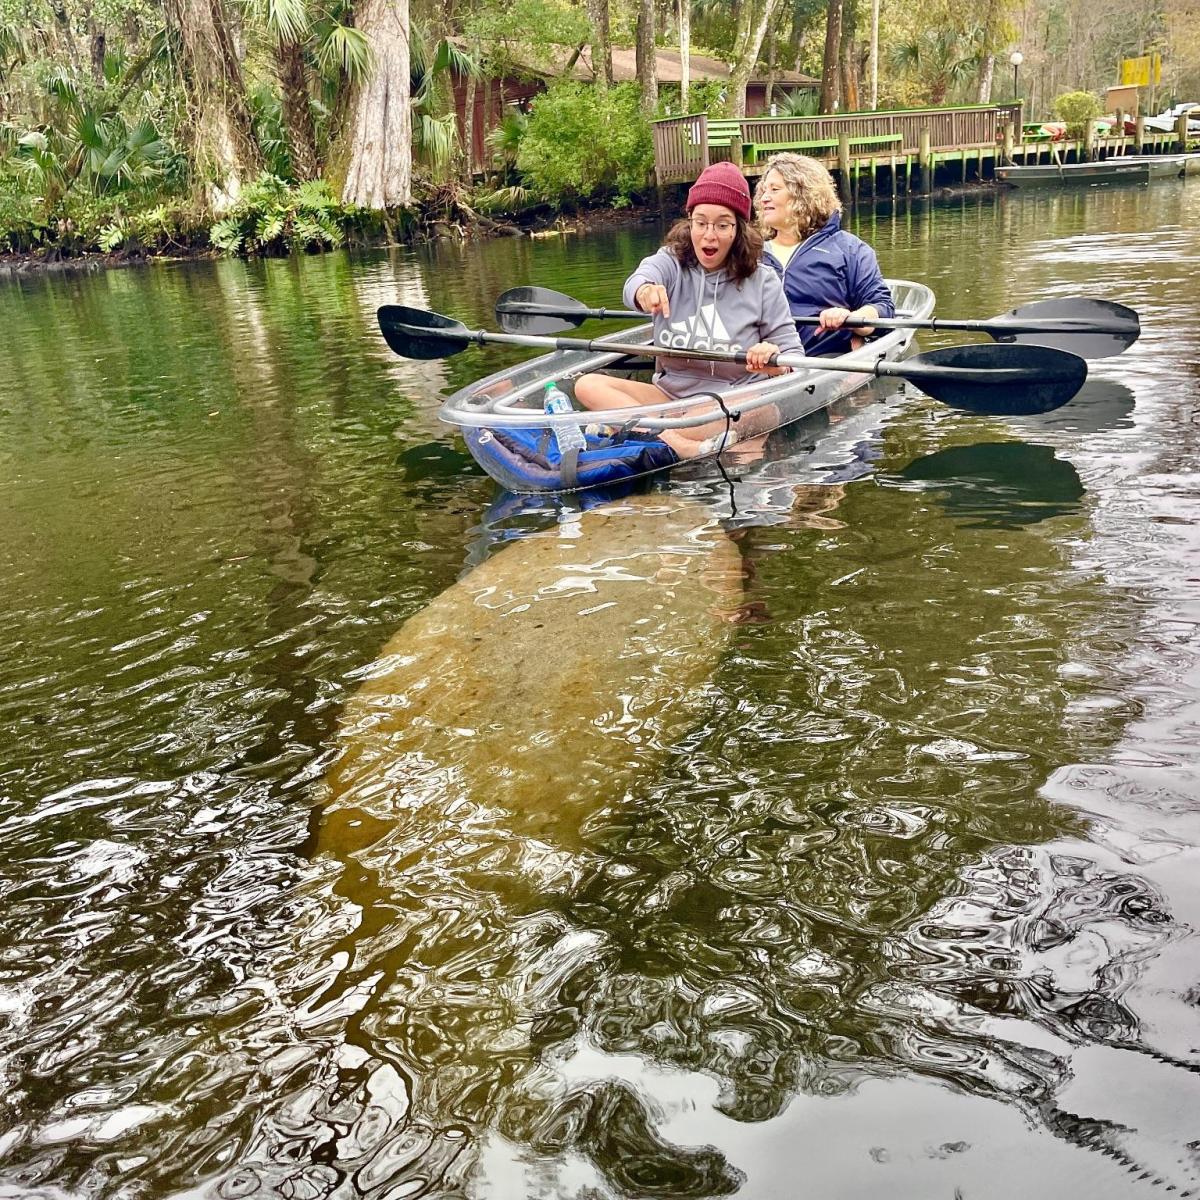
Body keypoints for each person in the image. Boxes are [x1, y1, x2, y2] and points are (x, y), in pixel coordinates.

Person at [574, 161, 803, 458]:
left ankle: (634, 428)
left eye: (722, 225)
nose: (709, 235)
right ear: (689, 223)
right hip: (669, 398)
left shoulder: (763, 281)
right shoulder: (670, 261)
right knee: (587, 385)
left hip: (732, 399)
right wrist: (645, 291)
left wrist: (776, 362)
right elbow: (637, 281)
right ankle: (679, 444)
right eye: (700, 222)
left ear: (738, 230)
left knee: (762, 410)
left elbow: (796, 360)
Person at [755, 152, 895, 357]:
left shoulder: (850, 250)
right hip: (762, 366)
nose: (764, 198)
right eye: (764, 190)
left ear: (803, 195)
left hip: (825, 362)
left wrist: (852, 318)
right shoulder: (751, 253)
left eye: (775, 190)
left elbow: (883, 308)